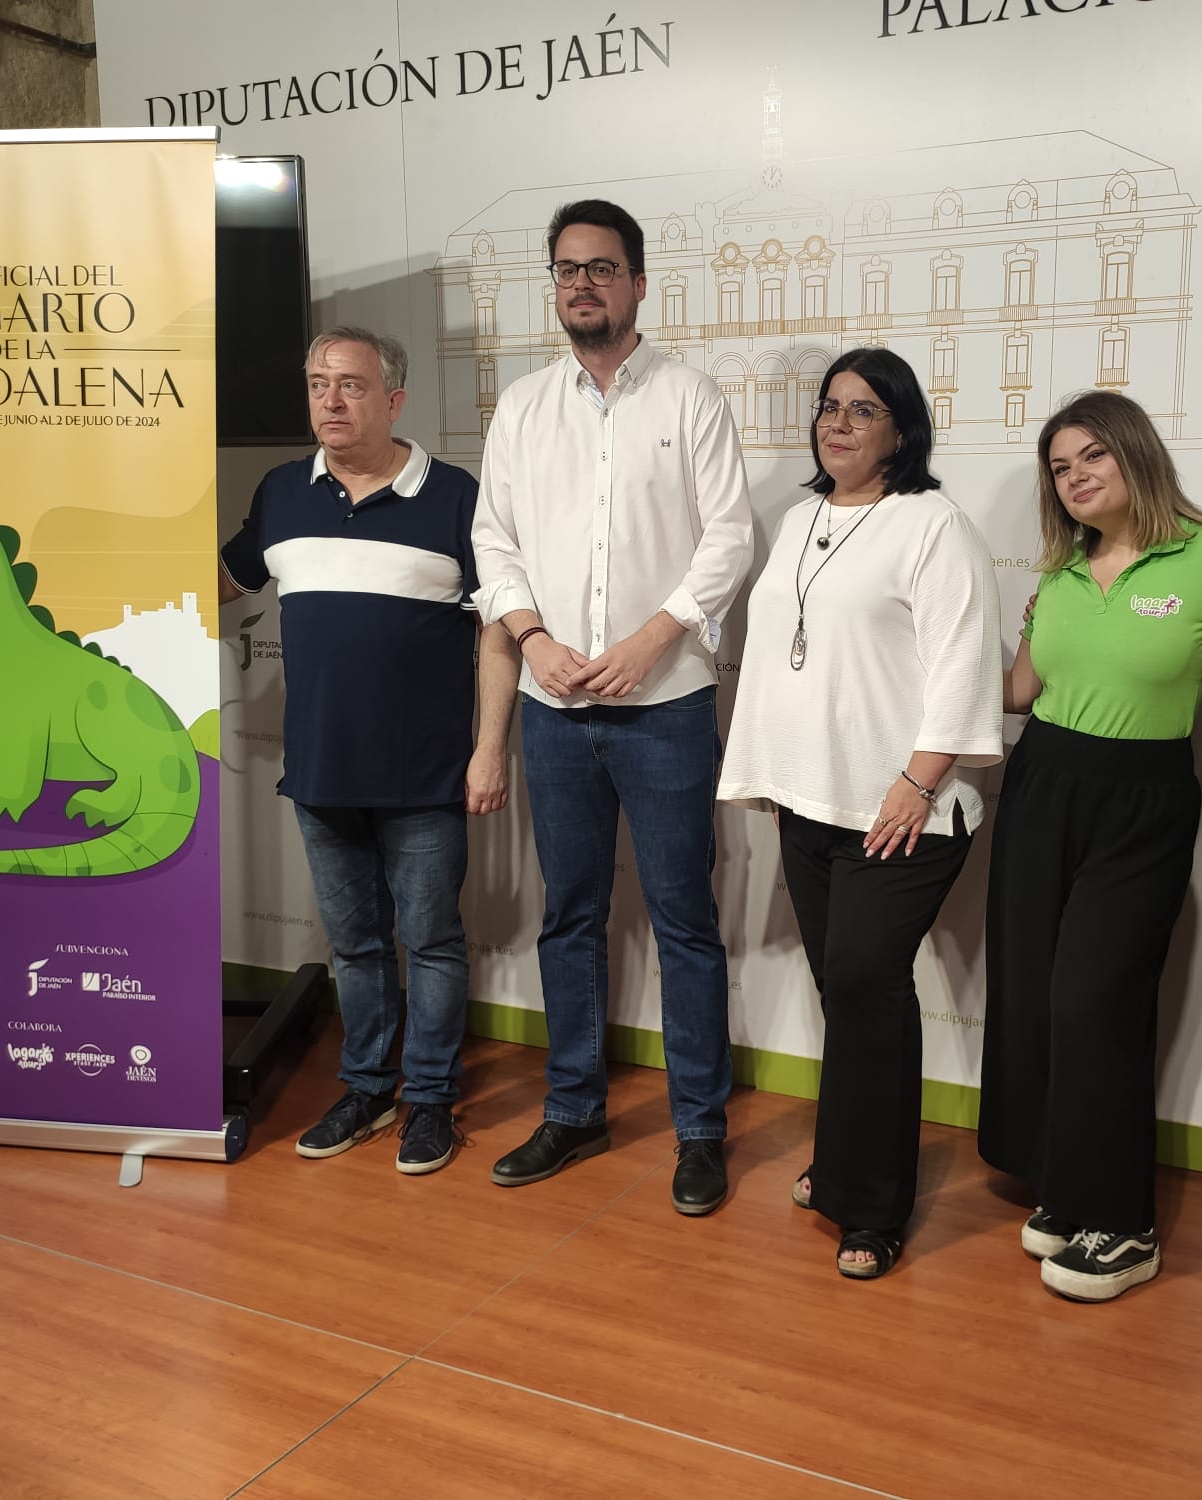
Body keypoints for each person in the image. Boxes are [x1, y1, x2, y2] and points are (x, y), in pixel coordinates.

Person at [472, 199, 754, 1215]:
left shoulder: (688, 398)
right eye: (565, 270)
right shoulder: (522, 408)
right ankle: (573, 1109)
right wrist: (534, 639)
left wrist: (651, 638)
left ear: (638, 282)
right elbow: (493, 541)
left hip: (667, 703)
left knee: (683, 921)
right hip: (552, 707)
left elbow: (727, 540)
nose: (581, 284)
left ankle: (699, 1131)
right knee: (569, 918)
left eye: (600, 267)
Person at [718, 346, 1003, 1278]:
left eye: (863, 410)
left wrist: (917, 782)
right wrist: (764, 762)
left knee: (867, 985)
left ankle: (874, 1207)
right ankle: (843, 1166)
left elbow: (964, 662)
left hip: (903, 808)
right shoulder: (801, 517)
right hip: (811, 800)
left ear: (901, 428)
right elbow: (774, 653)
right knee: (846, 992)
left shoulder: (933, 525)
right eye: (829, 407)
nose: (838, 424)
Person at [218, 325, 519, 1174]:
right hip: (318, 774)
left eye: (350, 386)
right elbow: (223, 581)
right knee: (353, 946)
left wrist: (489, 748)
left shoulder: (456, 496)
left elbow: (501, 629)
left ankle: (428, 1101)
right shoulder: (281, 492)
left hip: (425, 775)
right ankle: (367, 1088)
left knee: (428, 942)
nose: (330, 401)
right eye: (317, 384)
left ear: (394, 399)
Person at [977, 391, 1202, 1303]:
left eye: (1092, 456)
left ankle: (1124, 1227)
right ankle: (1068, 1183)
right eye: (1060, 467)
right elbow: (1018, 694)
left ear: (1134, 455)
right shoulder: (1058, 574)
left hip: (1143, 801)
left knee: (1098, 1002)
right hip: (1043, 783)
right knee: (1038, 997)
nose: (1077, 476)